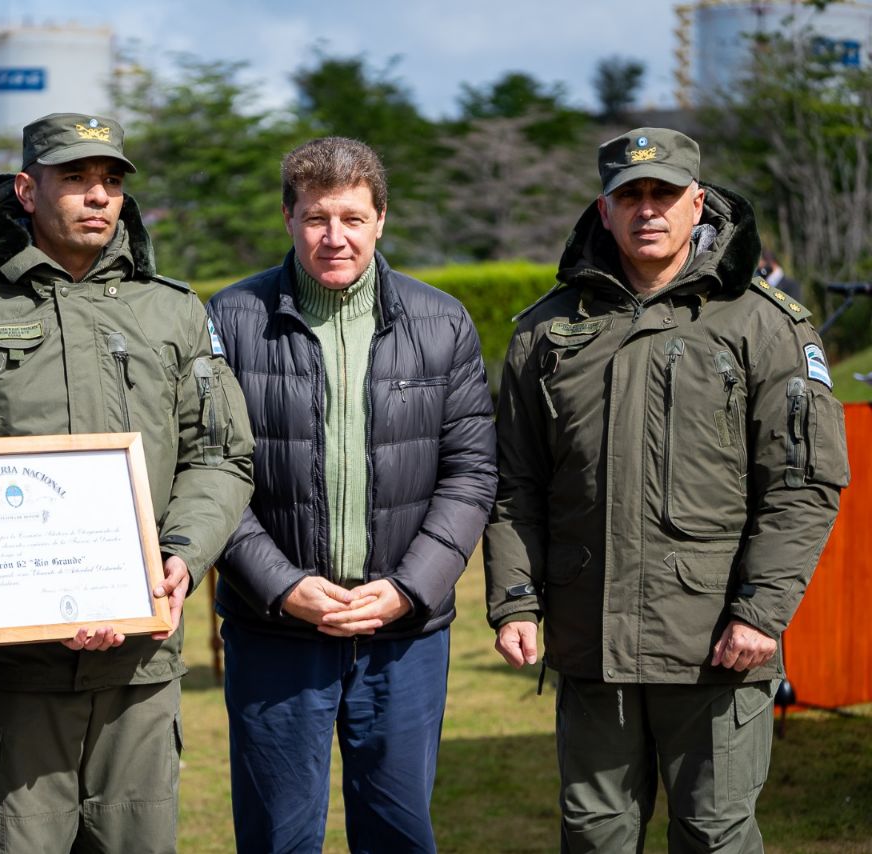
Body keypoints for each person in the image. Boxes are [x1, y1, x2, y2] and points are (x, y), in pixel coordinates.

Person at [484, 127, 849, 852]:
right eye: (631, 195)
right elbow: (513, 484)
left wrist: (762, 611)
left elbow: (802, 484)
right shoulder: (548, 333)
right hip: (592, 643)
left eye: (664, 193)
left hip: (718, 643)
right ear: (605, 207)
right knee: (595, 837)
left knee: (713, 835)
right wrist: (515, 599)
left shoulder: (765, 325)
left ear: (698, 202)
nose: (648, 209)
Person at [0, 112, 254, 854]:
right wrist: (4, 599)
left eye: (112, 181)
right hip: (19, 671)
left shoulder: (174, 311)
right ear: (28, 189)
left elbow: (221, 454)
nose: (99, 196)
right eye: (76, 179)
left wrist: (180, 560)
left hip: (142, 664)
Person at [205, 136, 498, 853]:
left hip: (403, 635)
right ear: (288, 218)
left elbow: (470, 473)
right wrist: (280, 587)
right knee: (279, 837)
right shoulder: (230, 320)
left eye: (352, 218)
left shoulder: (442, 322)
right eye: (315, 218)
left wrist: (409, 589)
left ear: (380, 220)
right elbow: (208, 470)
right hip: (275, 632)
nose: (333, 237)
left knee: (398, 833)